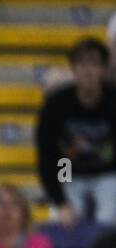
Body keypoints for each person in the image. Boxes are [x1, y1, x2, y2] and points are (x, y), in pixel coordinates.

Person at [36, 38, 116, 228]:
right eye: (81, 63)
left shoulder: (113, 102)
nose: (87, 70)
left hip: (107, 170)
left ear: (104, 70)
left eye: (94, 63)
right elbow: (47, 155)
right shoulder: (56, 105)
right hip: (68, 168)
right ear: (73, 68)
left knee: (108, 224)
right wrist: (61, 202)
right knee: (60, 220)